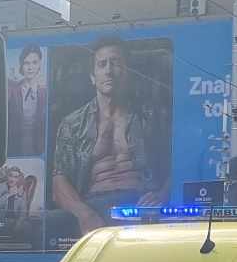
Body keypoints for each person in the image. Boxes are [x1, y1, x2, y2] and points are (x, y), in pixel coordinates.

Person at [50, 36, 167, 234]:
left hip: (139, 203)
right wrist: (83, 213)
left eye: (116, 63)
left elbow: (177, 160)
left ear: (127, 71)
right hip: (93, 204)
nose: (109, 71)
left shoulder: (150, 116)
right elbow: (58, 179)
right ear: (92, 76)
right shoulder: (73, 123)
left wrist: (163, 194)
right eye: (102, 64)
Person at [7, 43, 50, 148]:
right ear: (21, 65)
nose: (30, 67)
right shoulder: (13, 90)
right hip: (16, 145)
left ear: (40, 64)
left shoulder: (45, 92)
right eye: (26, 63)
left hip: (38, 146)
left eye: (34, 63)